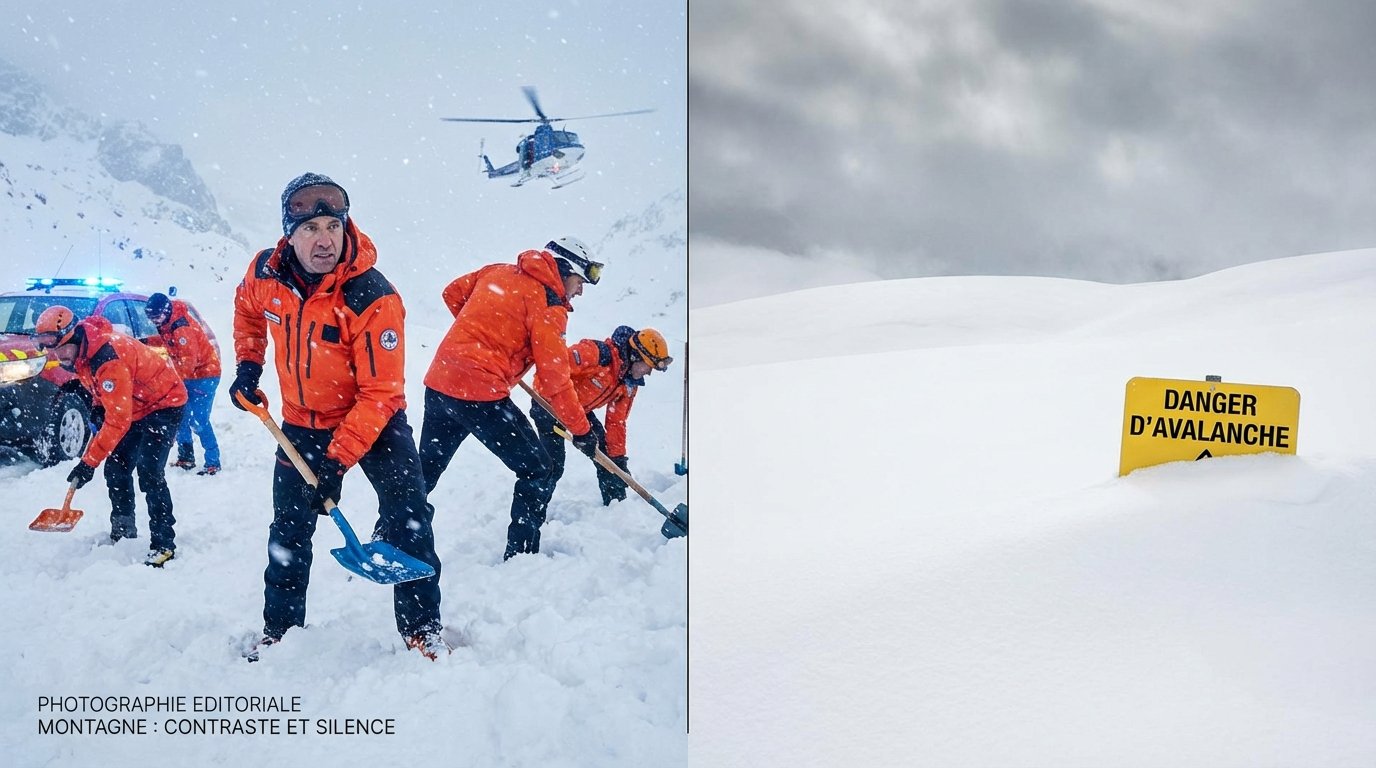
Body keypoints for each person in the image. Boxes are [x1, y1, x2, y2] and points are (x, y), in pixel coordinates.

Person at [229, 172, 446, 660]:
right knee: (289, 530)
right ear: (289, 234)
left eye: (333, 226)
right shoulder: (266, 274)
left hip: (375, 421)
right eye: (310, 229)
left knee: (409, 517)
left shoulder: (372, 295)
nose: (324, 240)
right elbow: (246, 310)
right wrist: (248, 366)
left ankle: (422, 630)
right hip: (302, 421)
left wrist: (337, 461)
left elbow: (380, 393)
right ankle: (280, 632)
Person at [419, 236, 604, 561]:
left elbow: (452, 293)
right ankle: (522, 557)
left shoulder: (498, 271)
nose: (580, 291)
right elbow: (556, 380)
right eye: (579, 282)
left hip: (441, 382)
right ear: (565, 270)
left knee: (425, 470)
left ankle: (391, 536)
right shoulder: (549, 307)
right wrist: (582, 431)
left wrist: (484, 335)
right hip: (480, 396)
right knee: (538, 470)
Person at [35, 306, 187, 567]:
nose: (57, 356)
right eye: (52, 351)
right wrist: (97, 407)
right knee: (116, 469)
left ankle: (164, 544)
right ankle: (123, 531)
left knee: (149, 471)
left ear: (73, 337)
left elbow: (117, 421)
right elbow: (101, 390)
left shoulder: (107, 358)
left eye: (60, 349)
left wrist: (88, 463)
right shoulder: (81, 354)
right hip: (134, 406)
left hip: (164, 404)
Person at [529, 326, 673, 506]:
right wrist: (542, 403)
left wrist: (618, 459)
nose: (648, 373)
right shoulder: (596, 354)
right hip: (548, 406)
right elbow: (551, 369)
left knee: (607, 459)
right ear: (636, 356)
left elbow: (616, 422)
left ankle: (617, 507)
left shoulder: (628, 382)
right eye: (648, 366)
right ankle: (532, 511)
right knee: (552, 467)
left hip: (578, 411)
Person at [144, 293, 223, 475]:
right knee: (181, 416)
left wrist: (170, 380)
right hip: (187, 377)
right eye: (151, 317)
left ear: (165, 311)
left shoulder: (182, 328)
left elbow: (188, 362)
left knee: (199, 420)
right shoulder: (167, 323)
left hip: (205, 376)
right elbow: (166, 341)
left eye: (156, 317)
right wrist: (145, 341)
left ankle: (213, 461)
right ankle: (186, 457)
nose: (154, 321)